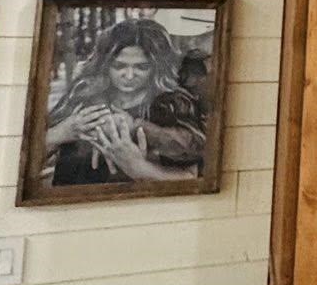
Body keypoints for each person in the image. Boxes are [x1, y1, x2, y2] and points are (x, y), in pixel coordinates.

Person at [45, 18, 205, 188]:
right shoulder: (83, 92)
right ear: (104, 63)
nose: (129, 76)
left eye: (142, 67)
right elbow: (32, 156)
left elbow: (192, 178)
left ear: (157, 66)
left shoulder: (172, 104)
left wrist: (139, 167)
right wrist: (63, 131)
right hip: (66, 200)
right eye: (119, 66)